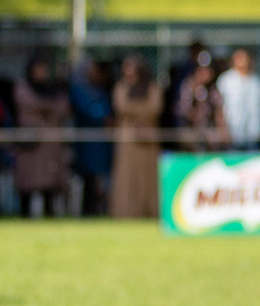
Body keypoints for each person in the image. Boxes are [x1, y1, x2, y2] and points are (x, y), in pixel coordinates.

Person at [13, 54, 73, 217]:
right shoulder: (24, 87)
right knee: (27, 180)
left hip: (50, 144)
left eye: (43, 69)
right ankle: (24, 214)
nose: (41, 73)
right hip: (31, 141)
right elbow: (29, 105)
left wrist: (45, 108)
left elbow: (63, 108)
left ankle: (50, 213)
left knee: (50, 181)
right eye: (37, 69)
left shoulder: (53, 89)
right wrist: (47, 108)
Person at [110, 56, 164, 219]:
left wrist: (136, 113)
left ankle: (149, 210)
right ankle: (126, 211)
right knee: (127, 177)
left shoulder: (152, 88)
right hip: (128, 140)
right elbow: (121, 106)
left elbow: (155, 107)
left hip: (148, 141)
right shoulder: (121, 88)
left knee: (148, 177)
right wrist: (142, 112)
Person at [69, 58, 115, 217]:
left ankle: (97, 209)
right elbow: (88, 111)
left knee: (99, 178)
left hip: (100, 143)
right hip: (86, 142)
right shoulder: (77, 89)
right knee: (86, 177)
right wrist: (102, 116)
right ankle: (85, 210)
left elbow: (107, 109)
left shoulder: (99, 90)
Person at [175, 53, 229, 152]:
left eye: (208, 71)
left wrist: (222, 130)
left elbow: (218, 111)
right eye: (202, 70)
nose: (205, 74)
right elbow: (183, 111)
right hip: (190, 131)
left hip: (208, 134)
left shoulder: (213, 89)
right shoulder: (188, 87)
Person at [218, 48, 260, 150]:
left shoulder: (256, 81)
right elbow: (219, 107)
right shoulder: (226, 80)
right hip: (232, 134)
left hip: (253, 134)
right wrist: (223, 131)